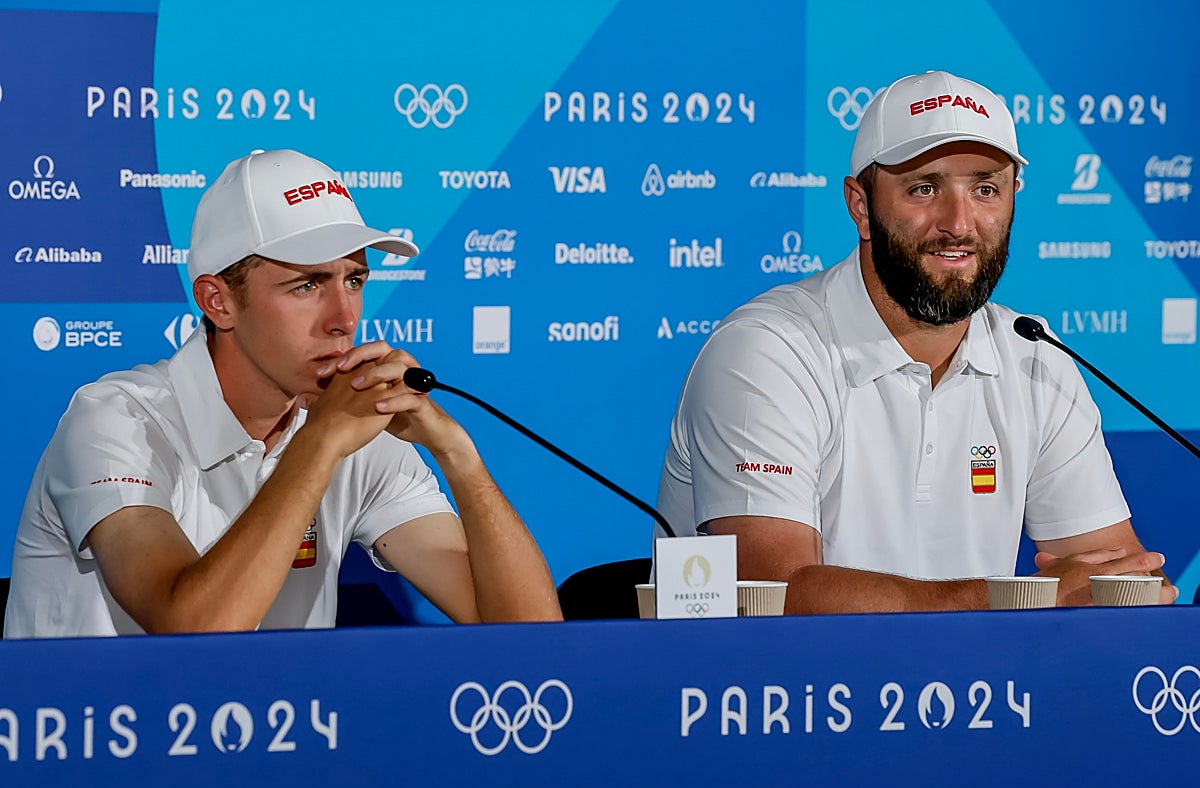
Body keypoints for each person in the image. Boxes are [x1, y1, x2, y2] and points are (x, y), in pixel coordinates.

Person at [656, 70, 1176, 613]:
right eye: (924, 188)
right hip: (789, 674)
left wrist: (1122, 594)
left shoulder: (1035, 357)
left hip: (981, 670)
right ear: (861, 206)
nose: (960, 224)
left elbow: (1119, 578)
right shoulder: (768, 351)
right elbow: (771, 596)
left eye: (985, 189)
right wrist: (1022, 599)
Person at [5, 148, 562, 637]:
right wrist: (318, 443)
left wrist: (458, 455)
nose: (344, 318)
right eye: (306, 285)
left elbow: (529, 637)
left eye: (354, 280)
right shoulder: (116, 421)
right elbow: (191, 630)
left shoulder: (357, 436)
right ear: (219, 301)